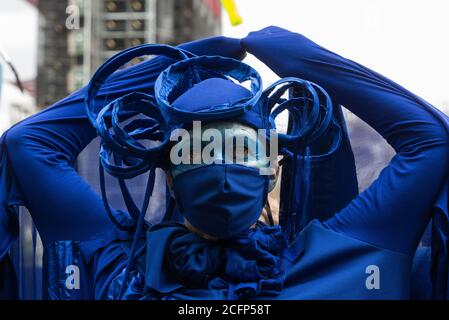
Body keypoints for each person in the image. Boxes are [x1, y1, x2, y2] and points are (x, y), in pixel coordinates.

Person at [1, 26, 448, 300]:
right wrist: (303, 61)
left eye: (240, 149)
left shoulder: (111, 259)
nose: (221, 170)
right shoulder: (348, 252)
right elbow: (429, 139)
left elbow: (33, 142)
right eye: (197, 151)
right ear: (172, 175)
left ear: (273, 165)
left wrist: (175, 63)